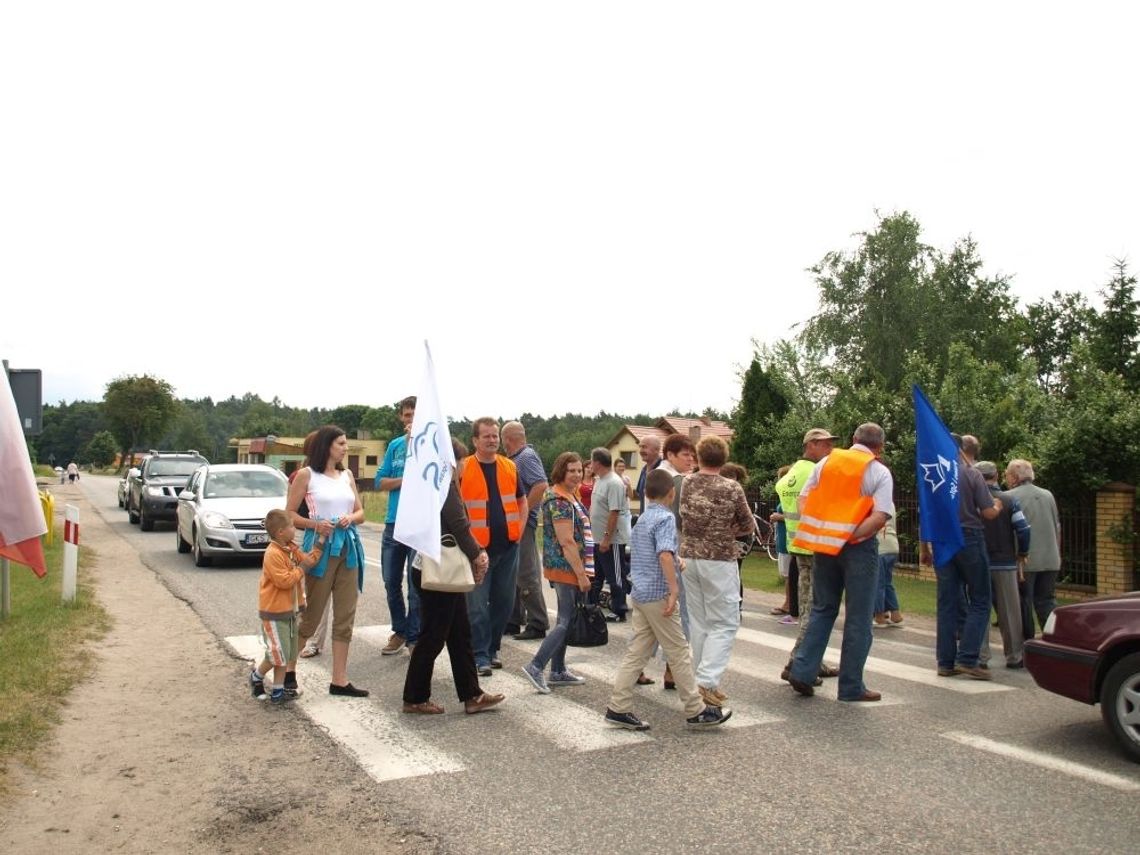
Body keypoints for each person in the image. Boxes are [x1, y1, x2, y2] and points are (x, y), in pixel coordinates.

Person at [604, 469, 732, 730]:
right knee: (679, 652)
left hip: (641, 593)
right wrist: (674, 589)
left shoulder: (643, 519)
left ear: (646, 493)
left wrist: (676, 560)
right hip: (659, 595)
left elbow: (654, 553)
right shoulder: (665, 518)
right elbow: (663, 553)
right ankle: (696, 709)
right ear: (672, 493)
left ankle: (618, 707)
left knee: (637, 653)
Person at [788, 423, 894, 702]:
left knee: (822, 609)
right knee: (859, 617)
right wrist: (848, 535)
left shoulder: (827, 463)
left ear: (854, 439)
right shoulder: (879, 471)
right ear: (880, 447)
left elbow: (803, 500)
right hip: (859, 547)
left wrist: (825, 532)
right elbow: (880, 516)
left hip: (825, 546)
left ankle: (802, 670)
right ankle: (851, 686)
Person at [402, 438, 505, 715]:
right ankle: (414, 697)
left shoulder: (428, 485)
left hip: (433, 566)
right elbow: (458, 525)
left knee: (460, 634)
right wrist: (477, 554)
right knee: (433, 636)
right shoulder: (444, 486)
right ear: (452, 462)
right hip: (439, 571)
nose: (463, 466)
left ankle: (472, 695)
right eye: (461, 461)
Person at [289, 425, 369, 697]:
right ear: (327, 445)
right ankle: (287, 671)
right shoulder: (306, 475)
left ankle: (340, 680)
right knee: (311, 616)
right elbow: (289, 515)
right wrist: (316, 524)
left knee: (345, 615)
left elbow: (360, 512)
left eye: (346, 443)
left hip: (348, 548)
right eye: (341, 443)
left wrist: (350, 518)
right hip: (320, 548)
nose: (346, 448)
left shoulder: (347, 475)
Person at [678, 435, 753, 708]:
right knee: (725, 622)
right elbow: (748, 524)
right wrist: (729, 530)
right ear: (724, 458)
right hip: (719, 558)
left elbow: (683, 515)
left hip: (689, 556)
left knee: (700, 623)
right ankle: (706, 681)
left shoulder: (687, 482)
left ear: (699, 457)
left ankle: (702, 679)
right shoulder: (731, 487)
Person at [521, 452, 594, 693]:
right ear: (561, 471)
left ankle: (558, 670)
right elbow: (566, 541)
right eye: (571, 470)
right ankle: (535, 666)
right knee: (565, 621)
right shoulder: (559, 500)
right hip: (566, 568)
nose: (576, 474)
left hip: (570, 566)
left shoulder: (570, 495)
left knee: (568, 618)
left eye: (579, 470)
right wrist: (581, 574)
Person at [929, 436, 1001, 680]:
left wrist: (925, 548)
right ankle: (968, 658)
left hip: (941, 539)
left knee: (947, 602)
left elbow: (927, 512)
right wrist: (998, 505)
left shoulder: (933, 474)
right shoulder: (972, 474)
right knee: (981, 597)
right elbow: (988, 512)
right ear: (960, 450)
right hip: (969, 536)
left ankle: (945, 662)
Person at [461, 418, 527, 677]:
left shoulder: (509, 466)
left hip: (508, 547)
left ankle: (492, 648)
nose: (492, 440)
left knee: (504, 603)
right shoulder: (464, 468)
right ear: (475, 440)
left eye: (495, 436)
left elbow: (522, 501)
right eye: (486, 436)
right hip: (477, 551)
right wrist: (468, 543)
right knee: (477, 606)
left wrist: (519, 532)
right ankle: (479, 655)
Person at [777, 428, 841, 685]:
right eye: (825, 444)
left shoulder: (790, 475)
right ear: (811, 445)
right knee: (815, 610)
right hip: (815, 548)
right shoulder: (816, 472)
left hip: (797, 546)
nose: (830, 449)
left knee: (807, 607)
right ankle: (798, 662)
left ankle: (815, 661)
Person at [249, 509, 326, 704]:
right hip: (274, 613)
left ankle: (278, 691)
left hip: (289, 612)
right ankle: (257, 676)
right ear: (281, 532)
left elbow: (308, 561)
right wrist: (301, 569)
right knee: (277, 653)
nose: (295, 529)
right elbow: (284, 581)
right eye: (292, 526)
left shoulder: (290, 549)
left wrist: (322, 540)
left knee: (287, 652)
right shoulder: (273, 554)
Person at [977, 460, 1031, 669]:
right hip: (1005, 562)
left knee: (979, 609)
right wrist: (1022, 552)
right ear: (997, 476)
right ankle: (1014, 655)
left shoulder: (971, 500)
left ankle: (980, 656)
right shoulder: (1009, 499)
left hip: (979, 561)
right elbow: (1023, 529)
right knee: (1010, 612)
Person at [376, 396, 420, 656]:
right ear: (401, 417)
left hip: (418, 524)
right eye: (407, 415)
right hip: (394, 522)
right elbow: (380, 481)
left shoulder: (430, 444)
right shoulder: (394, 445)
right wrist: (404, 479)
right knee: (391, 581)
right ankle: (399, 630)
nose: (410, 419)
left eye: (415, 414)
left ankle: (414, 636)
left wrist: (417, 442)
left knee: (416, 586)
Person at [501, 421, 551, 642]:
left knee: (526, 573)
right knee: (513, 573)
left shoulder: (525, 457)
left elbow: (540, 485)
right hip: (514, 524)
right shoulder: (517, 458)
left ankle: (537, 622)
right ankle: (513, 619)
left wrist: (522, 513)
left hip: (523, 524)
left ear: (507, 439)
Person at [1005, 458, 1062, 636]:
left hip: (1025, 561)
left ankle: (1025, 643)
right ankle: (1054, 639)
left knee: (1024, 603)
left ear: (1014, 477)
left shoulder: (1009, 497)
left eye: (1007, 474)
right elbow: (1057, 526)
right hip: (1051, 559)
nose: (1006, 478)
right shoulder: (1048, 495)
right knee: (1046, 601)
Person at [588, 447, 633, 622]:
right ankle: (591, 608)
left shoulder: (614, 482)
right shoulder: (600, 480)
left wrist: (607, 538)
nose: (590, 465)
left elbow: (614, 512)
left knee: (615, 576)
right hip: (597, 538)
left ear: (597, 463)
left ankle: (619, 610)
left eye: (592, 461)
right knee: (597, 576)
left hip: (611, 540)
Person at [768, 465, 798, 624]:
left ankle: (789, 604)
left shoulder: (793, 496)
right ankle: (789, 602)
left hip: (789, 539)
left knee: (789, 574)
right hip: (783, 538)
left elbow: (796, 515)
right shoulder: (785, 496)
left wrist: (778, 517)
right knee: (787, 574)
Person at [872, 506, 903, 628]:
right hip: (892, 545)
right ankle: (895, 614)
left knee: (878, 583)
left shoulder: (875, 502)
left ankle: (879, 616)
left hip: (881, 545)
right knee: (887, 582)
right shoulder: (891, 504)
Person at [634, 435, 663, 512]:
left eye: (644, 447)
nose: (641, 451)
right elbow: (640, 495)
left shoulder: (662, 471)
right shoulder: (644, 470)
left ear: (656, 450)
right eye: (640, 447)